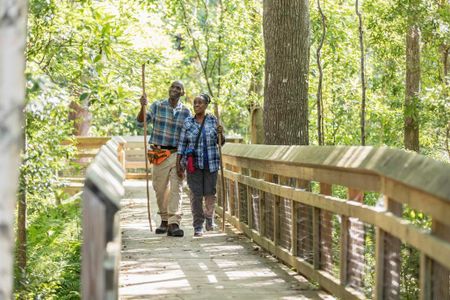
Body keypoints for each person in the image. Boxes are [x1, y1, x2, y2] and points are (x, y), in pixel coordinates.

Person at [137, 81, 191, 237]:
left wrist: (184, 160)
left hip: (177, 154)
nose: (174, 89)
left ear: (182, 93)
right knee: (160, 189)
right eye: (172, 87)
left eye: (178, 88)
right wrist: (142, 106)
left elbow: (189, 136)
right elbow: (141, 121)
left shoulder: (186, 112)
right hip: (159, 153)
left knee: (177, 188)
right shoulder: (157, 106)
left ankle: (174, 223)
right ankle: (164, 220)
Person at [176, 93, 225, 237]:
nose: (196, 105)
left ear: (206, 105)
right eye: (195, 103)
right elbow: (182, 144)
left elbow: (220, 142)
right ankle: (198, 225)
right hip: (193, 164)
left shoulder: (212, 120)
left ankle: (209, 218)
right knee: (196, 195)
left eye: (200, 103)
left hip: (211, 162)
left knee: (210, 193)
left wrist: (221, 133)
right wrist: (178, 163)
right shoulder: (188, 122)